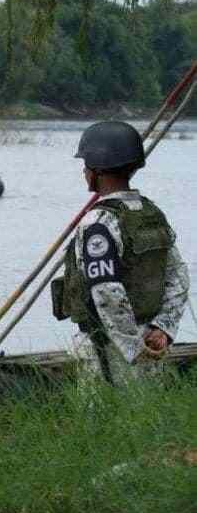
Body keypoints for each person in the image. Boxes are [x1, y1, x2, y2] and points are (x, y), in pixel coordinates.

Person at [52, 121, 189, 387]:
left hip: (107, 348)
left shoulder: (98, 223)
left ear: (96, 170)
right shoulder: (151, 213)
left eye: (86, 165)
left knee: (102, 423)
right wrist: (162, 328)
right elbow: (179, 275)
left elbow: (106, 290)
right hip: (153, 342)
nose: (84, 172)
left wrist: (132, 348)